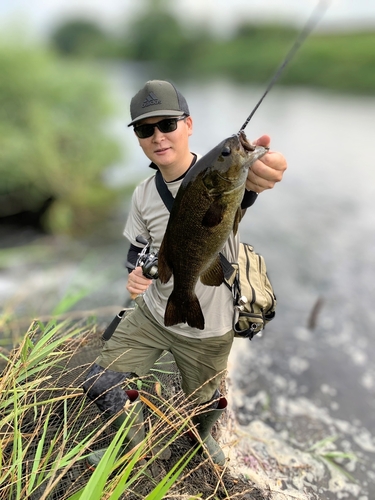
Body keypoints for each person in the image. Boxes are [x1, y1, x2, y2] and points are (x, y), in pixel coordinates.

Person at [83, 80, 287, 467]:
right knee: (101, 380)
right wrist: (136, 273)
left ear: (188, 124)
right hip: (153, 312)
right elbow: (136, 247)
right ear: (139, 138)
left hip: (210, 325)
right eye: (145, 129)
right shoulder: (143, 192)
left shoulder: (228, 182)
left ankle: (200, 438)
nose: (158, 136)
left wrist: (260, 172)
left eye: (167, 124)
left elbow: (254, 184)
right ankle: (133, 445)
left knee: (206, 402)